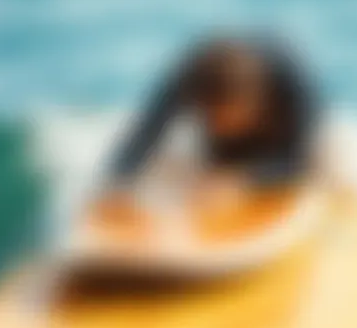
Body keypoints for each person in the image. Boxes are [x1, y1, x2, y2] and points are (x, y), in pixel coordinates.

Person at [100, 36, 319, 211]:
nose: (221, 126)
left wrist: (245, 181)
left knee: (324, 176)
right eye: (213, 118)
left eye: (228, 117)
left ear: (254, 104)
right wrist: (119, 182)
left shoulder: (289, 84)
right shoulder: (190, 77)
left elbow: (302, 161)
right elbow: (143, 135)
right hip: (225, 151)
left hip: (286, 137)